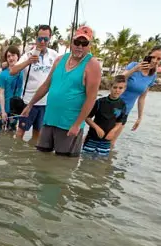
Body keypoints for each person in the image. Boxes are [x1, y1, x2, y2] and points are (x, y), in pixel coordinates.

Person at [21, 26, 101, 157]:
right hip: (49, 120)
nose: (80, 46)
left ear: (89, 45)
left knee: (62, 166)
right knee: (40, 158)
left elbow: (91, 98)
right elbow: (46, 85)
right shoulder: (59, 60)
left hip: (69, 125)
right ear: (71, 42)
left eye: (84, 43)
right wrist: (30, 105)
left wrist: (77, 124)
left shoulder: (92, 65)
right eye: (77, 42)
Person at [10, 25, 59, 142]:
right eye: (40, 39)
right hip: (28, 102)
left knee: (38, 133)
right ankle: (16, 154)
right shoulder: (27, 54)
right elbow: (13, 71)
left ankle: (32, 154)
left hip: (46, 103)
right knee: (20, 132)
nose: (42, 42)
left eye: (46, 39)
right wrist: (28, 61)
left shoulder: (54, 55)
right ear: (36, 38)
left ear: (50, 38)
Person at [112, 45, 161, 144]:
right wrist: (134, 70)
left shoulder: (152, 76)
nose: (155, 60)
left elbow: (142, 98)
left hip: (125, 112)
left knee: (111, 143)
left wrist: (140, 117)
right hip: (111, 107)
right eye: (153, 57)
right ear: (148, 55)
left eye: (158, 59)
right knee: (94, 137)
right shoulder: (134, 65)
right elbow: (118, 80)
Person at [82, 75, 128, 157]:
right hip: (92, 137)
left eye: (120, 88)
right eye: (115, 87)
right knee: (86, 159)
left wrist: (113, 131)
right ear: (110, 87)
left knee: (101, 162)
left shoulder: (123, 105)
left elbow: (120, 122)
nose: (117, 90)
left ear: (124, 89)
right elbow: (87, 118)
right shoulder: (99, 102)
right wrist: (97, 128)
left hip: (107, 140)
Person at [0, 45, 23, 132]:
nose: (11, 58)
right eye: (8, 56)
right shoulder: (3, 74)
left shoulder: (23, 72)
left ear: (18, 56)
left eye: (13, 55)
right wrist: (3, 111)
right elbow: (1, 93)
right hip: (2, 109)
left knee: (11, 134)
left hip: (15, 110)